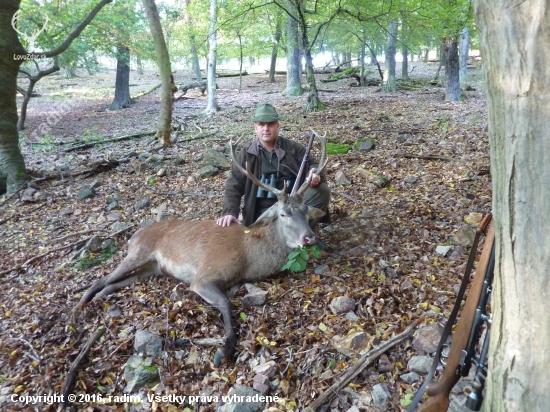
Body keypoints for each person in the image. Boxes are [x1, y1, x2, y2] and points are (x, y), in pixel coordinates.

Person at [216, 103, 331, 228]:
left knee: (322, 191)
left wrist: (315, 174)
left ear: (277, 126)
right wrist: (229, 212)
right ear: (255, 128)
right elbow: (233, 186)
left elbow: (313, 165)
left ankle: (307, 234)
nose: (266, 128)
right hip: (262, 211)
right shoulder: (246, 154)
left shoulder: (294, 148)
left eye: (270, 124)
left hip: (292, 207)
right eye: (261, 124)